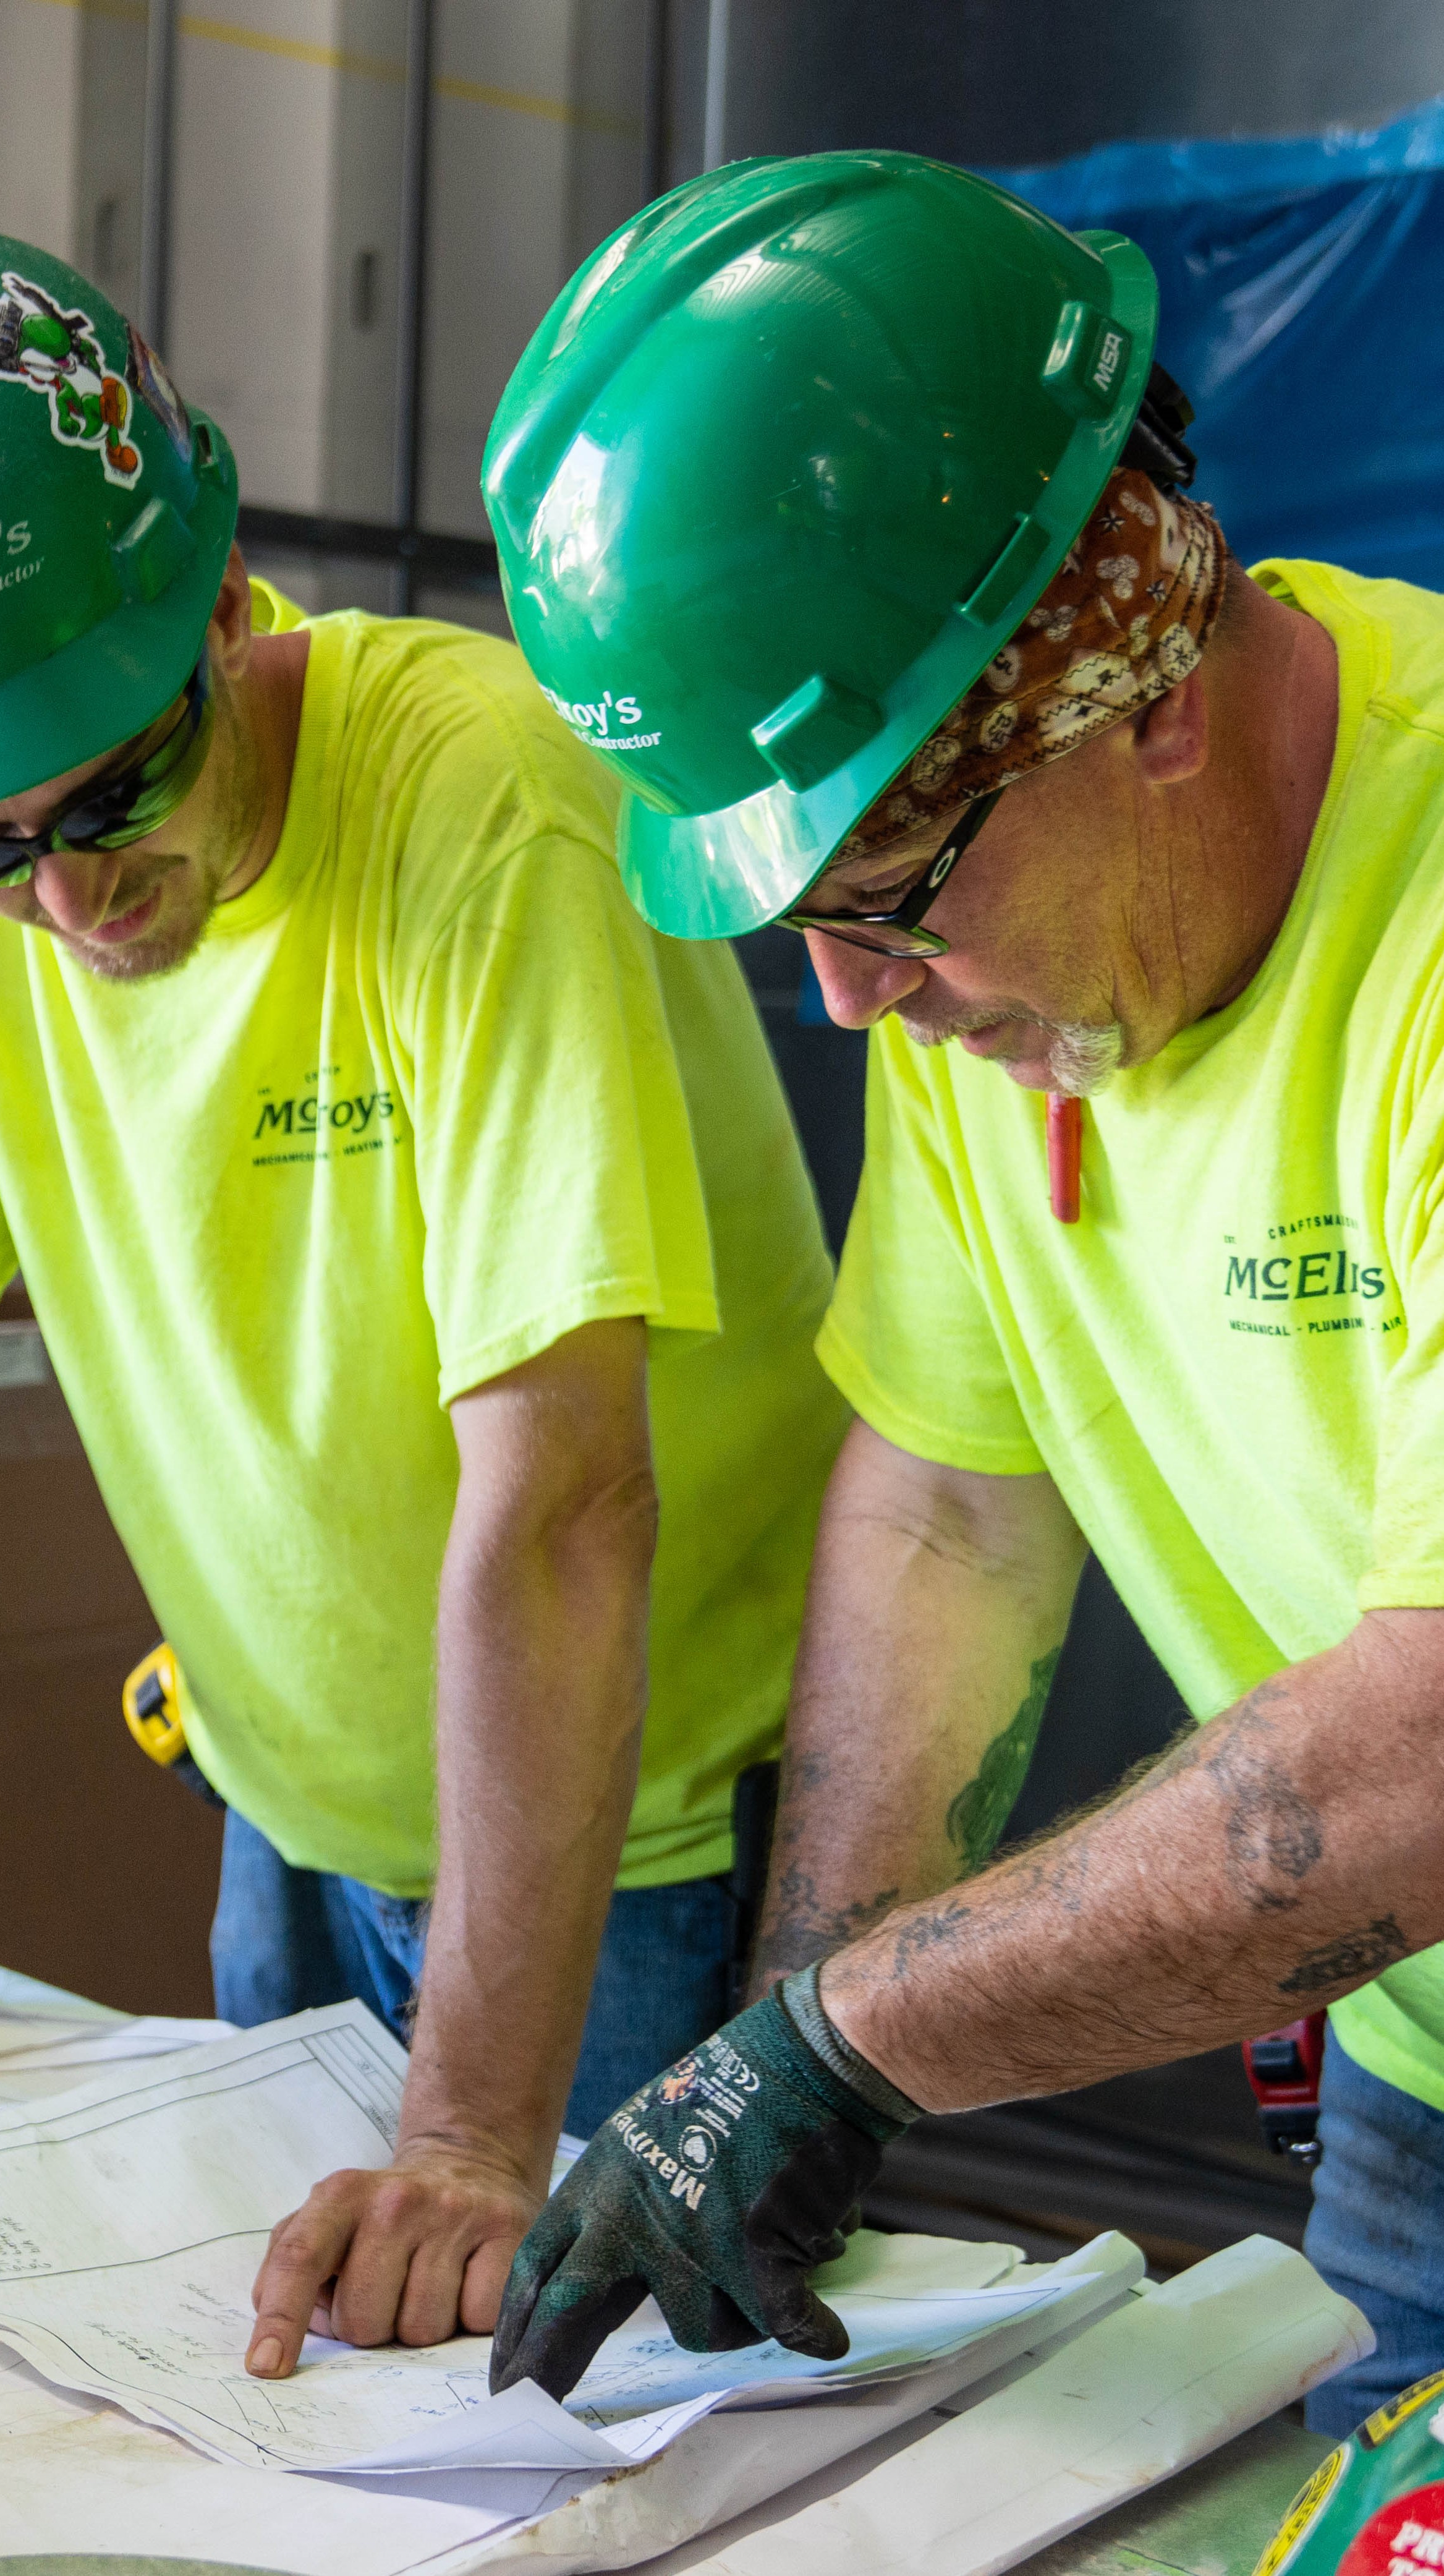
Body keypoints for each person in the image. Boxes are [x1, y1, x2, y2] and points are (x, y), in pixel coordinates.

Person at [0, 213, 849, 2379]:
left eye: (117, 787)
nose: (64, 894)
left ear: (226, 599)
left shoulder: (481, 806)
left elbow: (568, 1501)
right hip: (290, 1807)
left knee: (597, 2455)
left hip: (648, 1832)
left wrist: (481, 2139)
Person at [480, 149, 1444, 2431]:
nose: (840, 998)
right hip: (1421, 2067)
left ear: (1147, 689)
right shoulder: (1004, 969)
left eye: (888, 890)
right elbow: (948, 1503)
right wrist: (796, 2030)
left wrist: (856, 2042)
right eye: (791, 911)